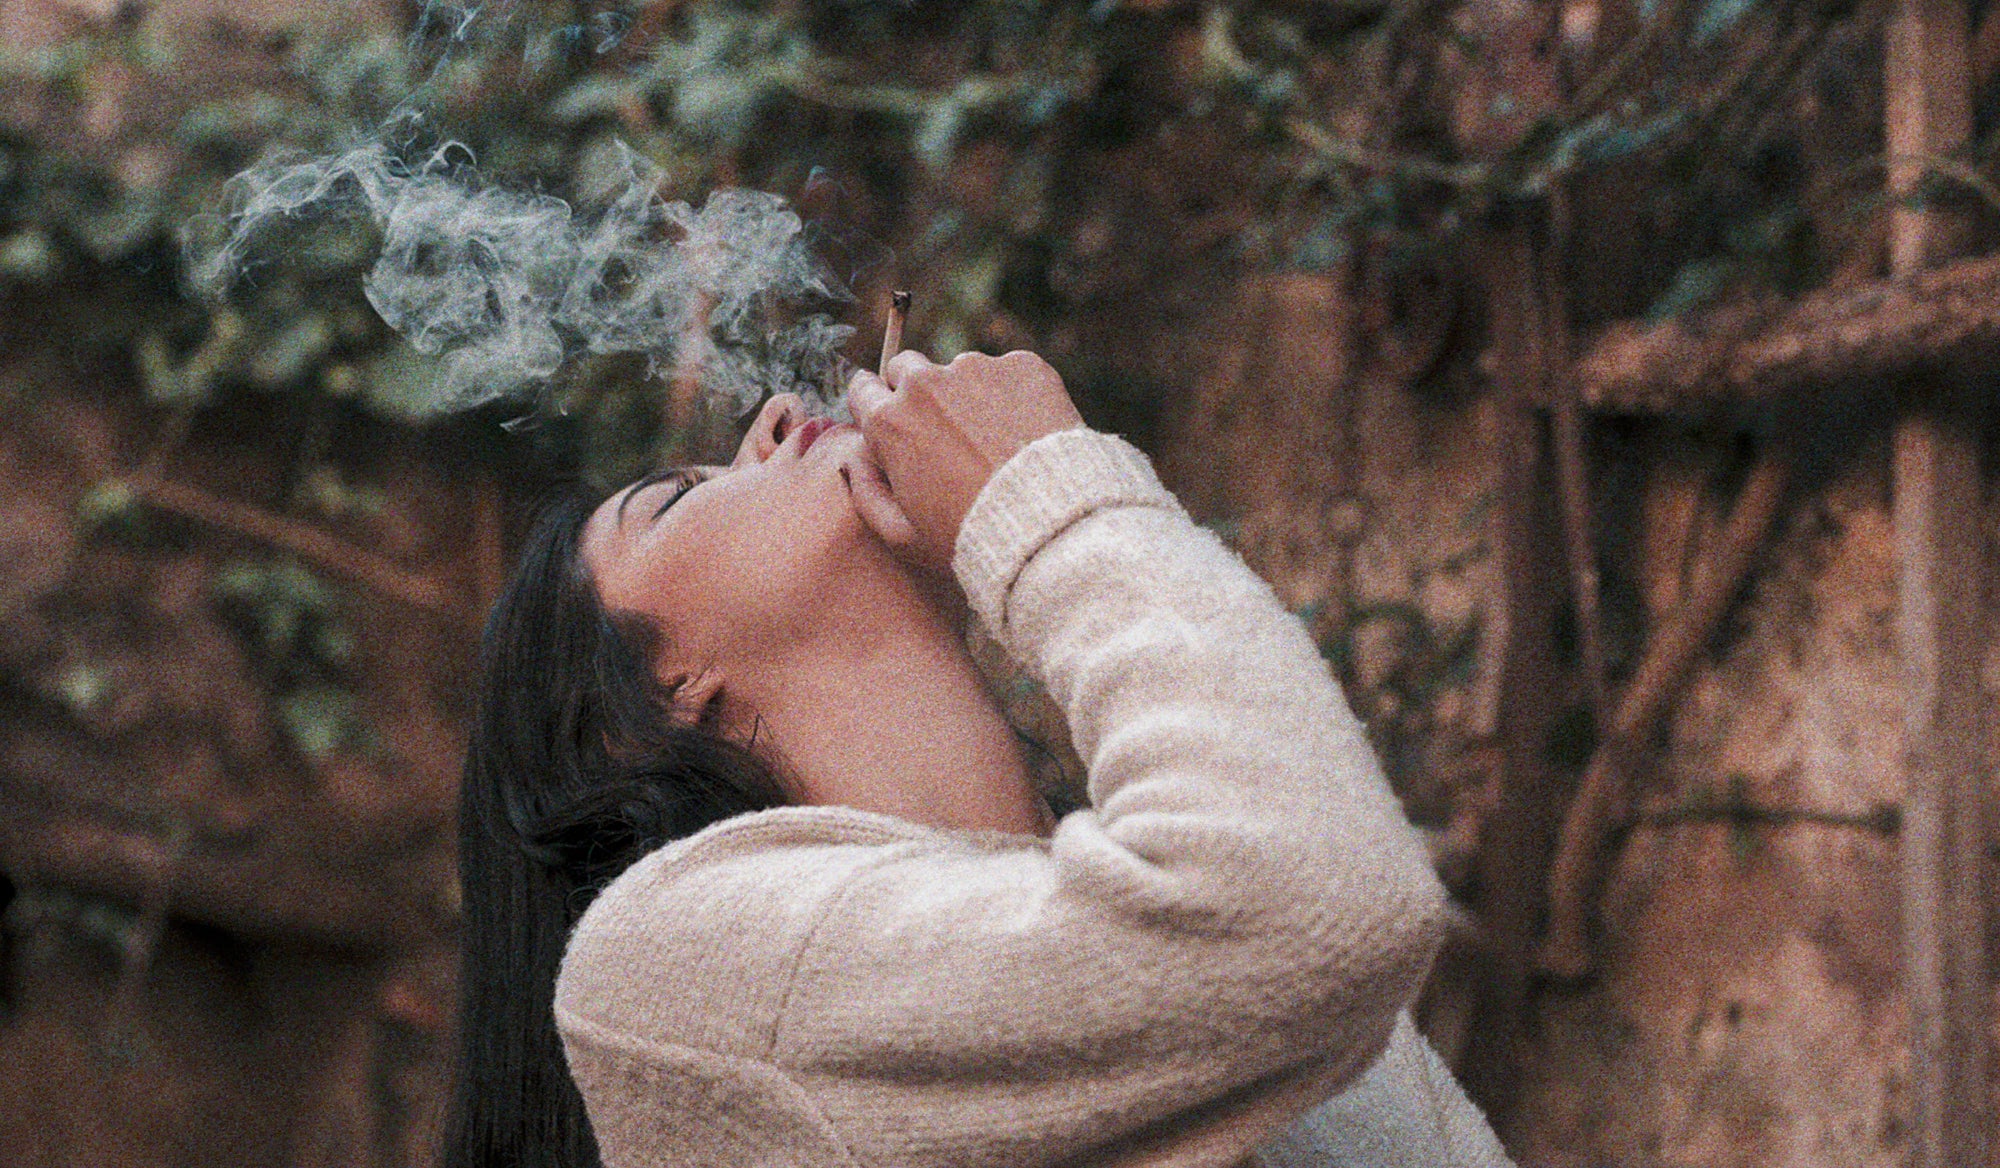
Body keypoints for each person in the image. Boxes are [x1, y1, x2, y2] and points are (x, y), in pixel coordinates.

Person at [446, 348, 1514, 1167]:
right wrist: (1046, 503)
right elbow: (1316, 906)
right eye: (675, 498)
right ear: (651, 707)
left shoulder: (1150, 903)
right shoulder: (665, 971)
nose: (771, 419)